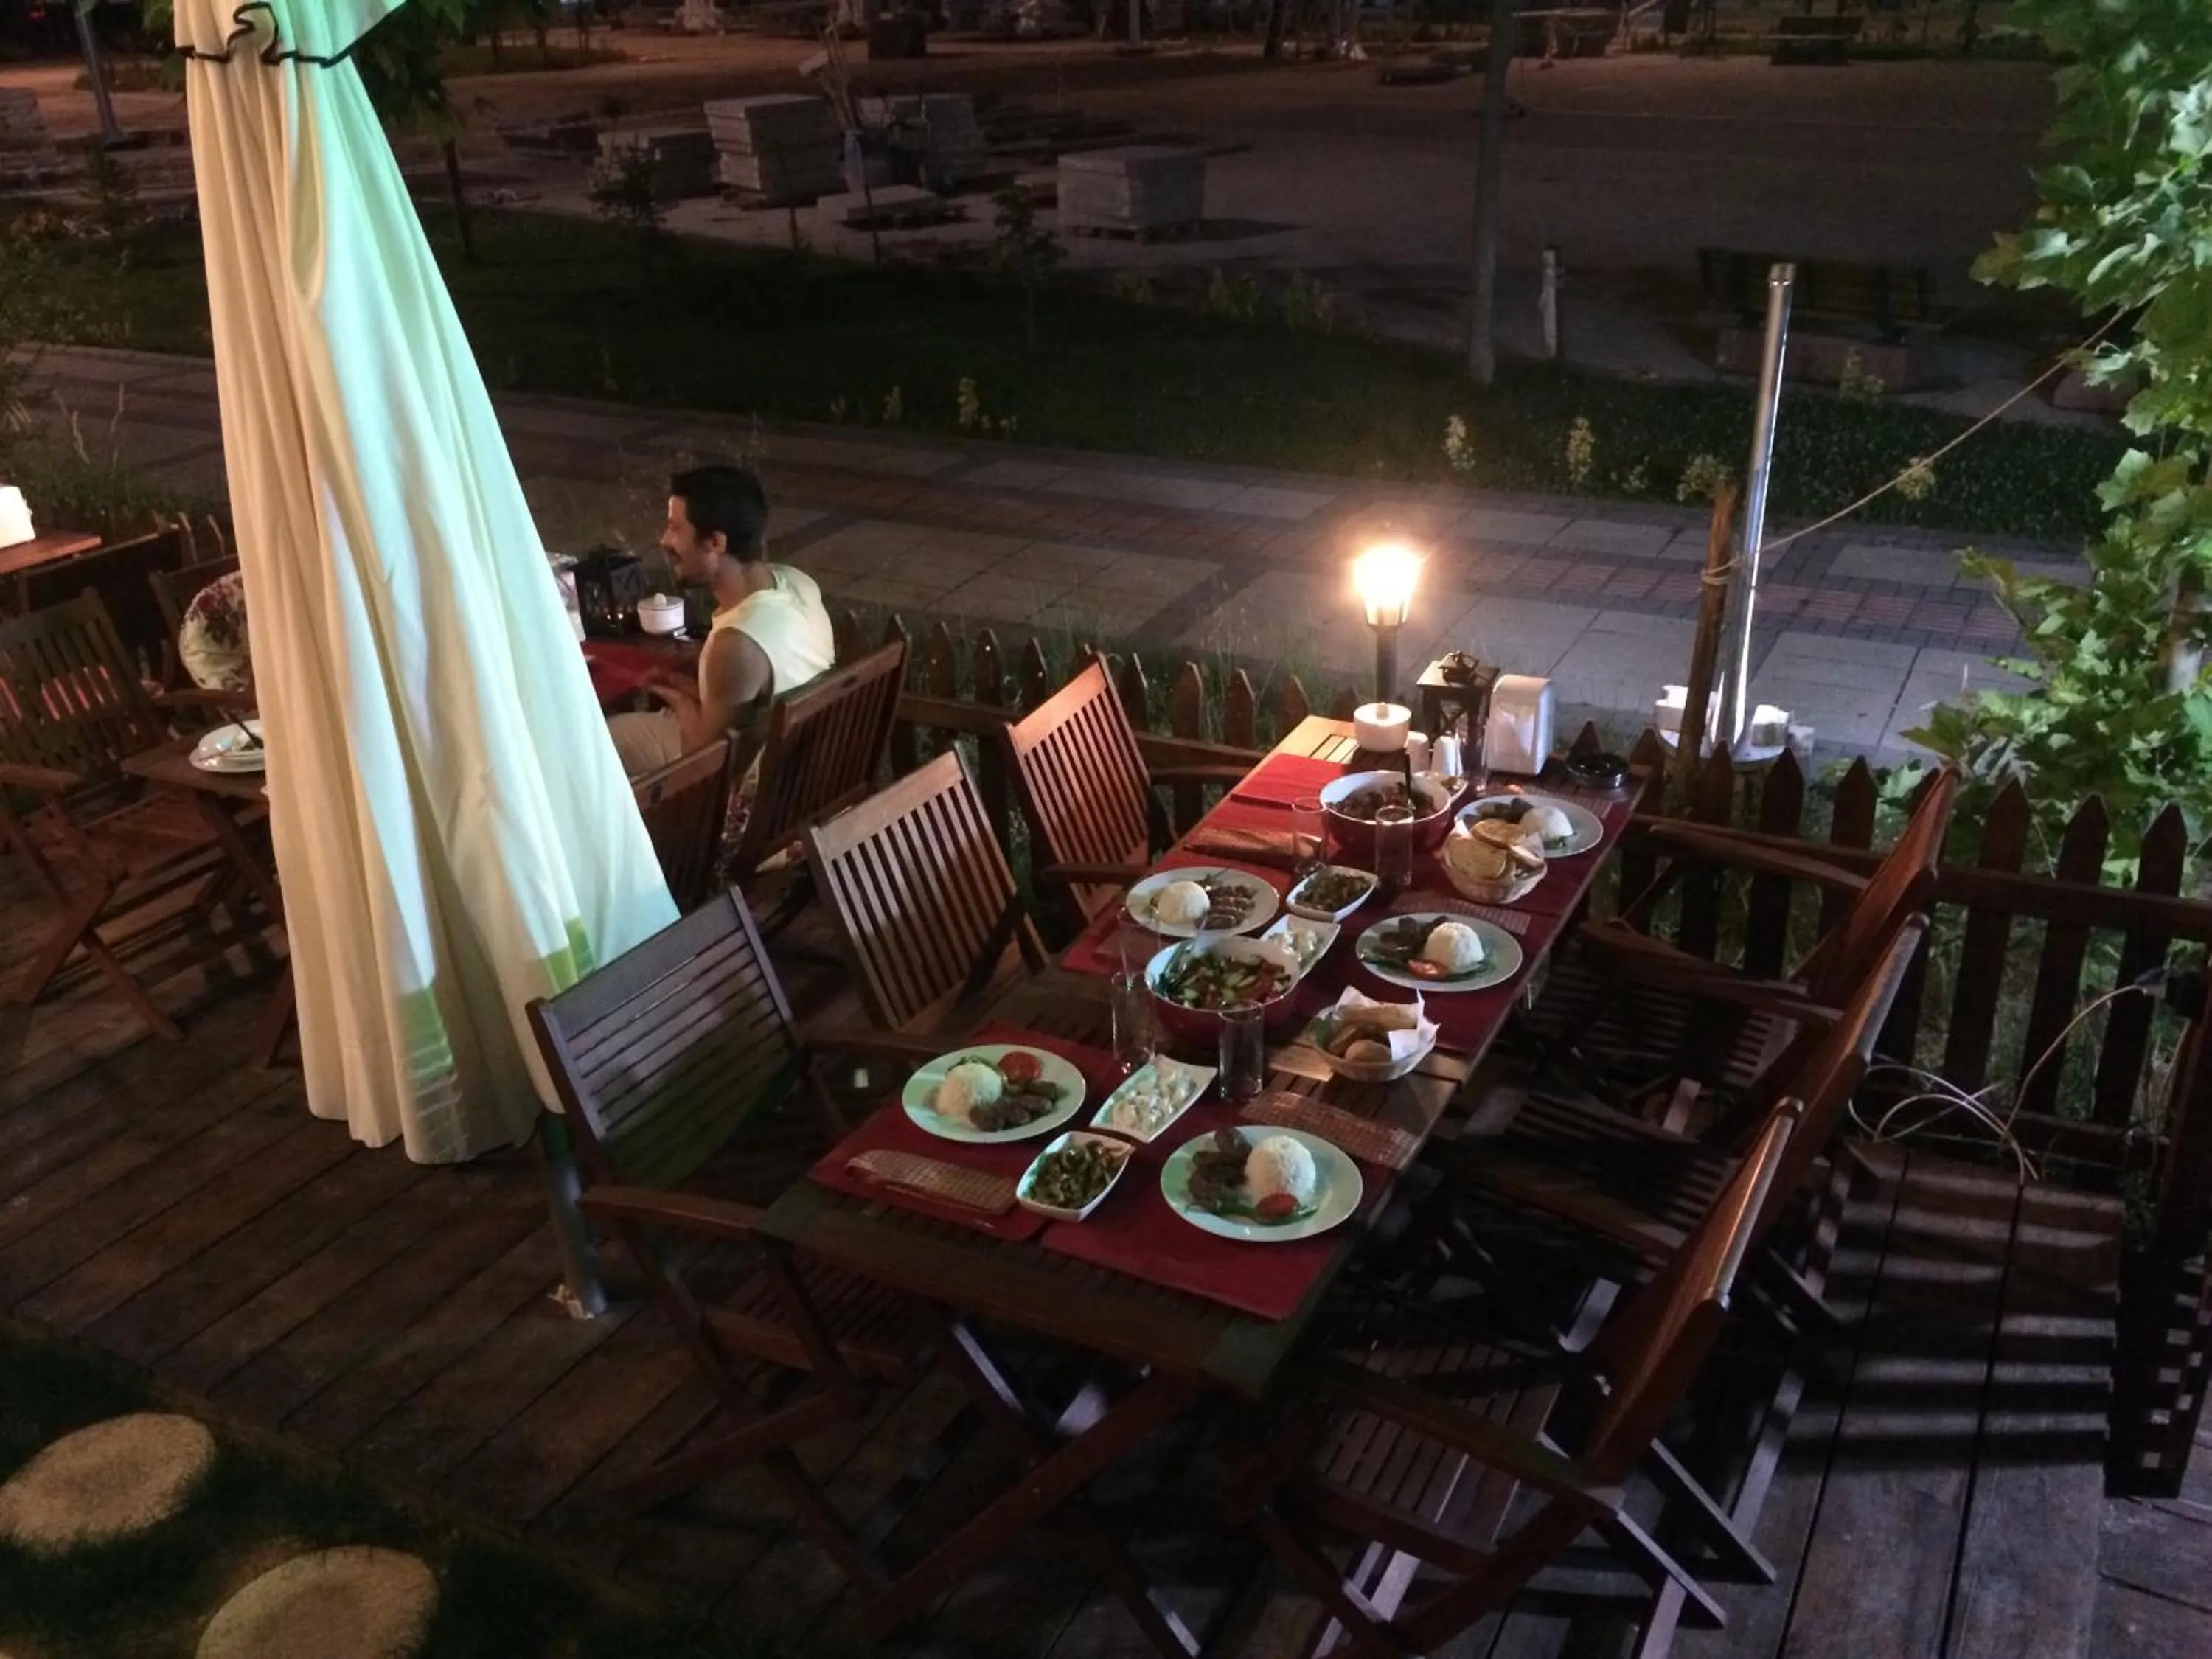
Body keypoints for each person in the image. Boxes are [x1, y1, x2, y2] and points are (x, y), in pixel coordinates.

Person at [607, 463, 835, 779]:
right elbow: (743, 695)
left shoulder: (738, 643)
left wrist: (675, 696)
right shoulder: (797, 583)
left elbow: (701, 764)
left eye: (676, 528)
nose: (664, 541)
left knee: (589, 745)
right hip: (790, 761)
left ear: (716, 542)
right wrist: (678, 682)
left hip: (740, 783)